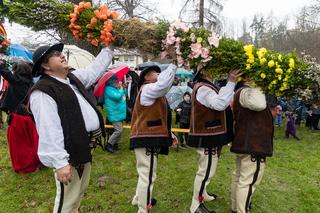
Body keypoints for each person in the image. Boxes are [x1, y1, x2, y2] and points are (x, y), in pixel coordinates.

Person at [29, 43, 113, 213]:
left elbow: (94, 70)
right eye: (54, 54)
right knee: (66, 202)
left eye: (60, 52)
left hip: (84, 146)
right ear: (45, 65)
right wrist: (59, 162)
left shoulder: (71, 79)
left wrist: (109, 48)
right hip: (69, 153)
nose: (61, 55)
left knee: (77, 195)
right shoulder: (43, 91)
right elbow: (48, 128)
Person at [188, 68, 239, 213]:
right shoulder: (203, 88)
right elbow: (219, 104)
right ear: (204, 72)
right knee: (205, 172)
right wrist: (231, 82)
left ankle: (202, 194)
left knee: (208, 169)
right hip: (207, 136)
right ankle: (195, 205)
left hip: (210, 135)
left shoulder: (206, 86)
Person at [130, 64, 177, 213]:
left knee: (146, 173)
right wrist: (174, 64)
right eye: (154, 72)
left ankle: (139, 198)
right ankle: (143, 209)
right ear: (146, 77)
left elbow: (160, 116)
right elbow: (164, 84)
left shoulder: (151, 90)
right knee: (148, 175)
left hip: (147, 136)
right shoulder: (148, 88)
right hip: (146, 137)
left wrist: (170, 133)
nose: (158, 74)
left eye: (158, 72)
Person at [230, 76, 274, 213]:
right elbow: (259, 104)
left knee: (239, 178)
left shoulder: (241, 92)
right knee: (248, 181)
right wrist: (258, 82)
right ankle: (241, 210)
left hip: (246, 142)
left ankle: (236, 207)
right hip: (253, 144)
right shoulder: (246, 92)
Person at [0, 60, 40, 174]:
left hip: (17, 118)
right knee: (30, 141)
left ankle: (27, 166)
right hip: (28, 117)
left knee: (20, 145)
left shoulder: (16, 81)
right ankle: (36, 163)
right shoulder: (31, 83)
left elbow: (4, 71)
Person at [104, 76, 126, 153]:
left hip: (119, 113)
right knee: (118, 130)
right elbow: (117, 96)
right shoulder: (108, 89)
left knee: (119, 130)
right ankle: (109, 144)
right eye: (116, 81)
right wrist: (121, 89)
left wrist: (123, 88)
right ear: (112, 82)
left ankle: (115, 144)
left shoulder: (115, 88)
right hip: (114, 113)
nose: (118, 82)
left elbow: (123, 95)